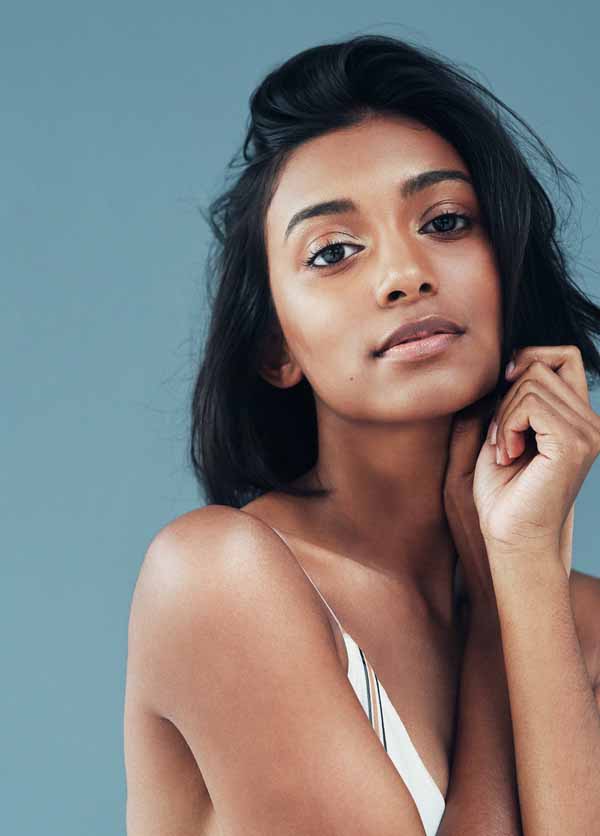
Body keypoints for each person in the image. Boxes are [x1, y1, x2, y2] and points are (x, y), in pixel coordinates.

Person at [124, 34, 600, 836]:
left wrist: (520, 567)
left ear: (503, 270)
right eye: (334, 250)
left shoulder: (577, 622)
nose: (406, 274)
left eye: (446, 221)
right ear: (275, 349)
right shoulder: (217, 578)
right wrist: (494, 615)